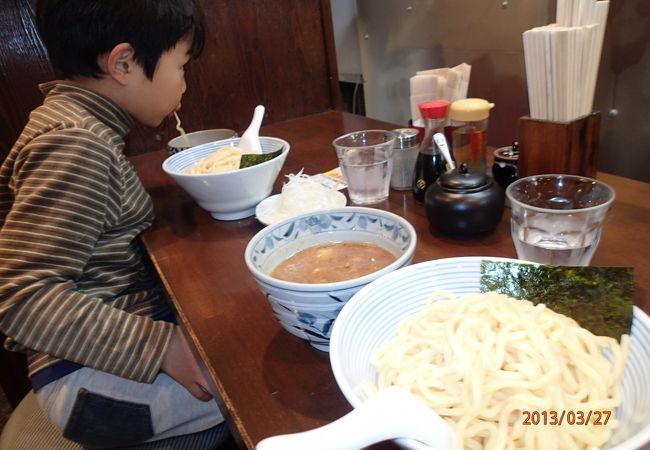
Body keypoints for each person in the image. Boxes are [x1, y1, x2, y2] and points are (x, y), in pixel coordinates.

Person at [0, 1, 228, 447]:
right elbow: (21, 298)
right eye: (181, 66)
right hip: (86, 380)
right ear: (123, 62)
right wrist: (159, 347)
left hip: (100, 350)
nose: (184, 81)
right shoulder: (75, 142)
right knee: (261, 383)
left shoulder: (79, 124)